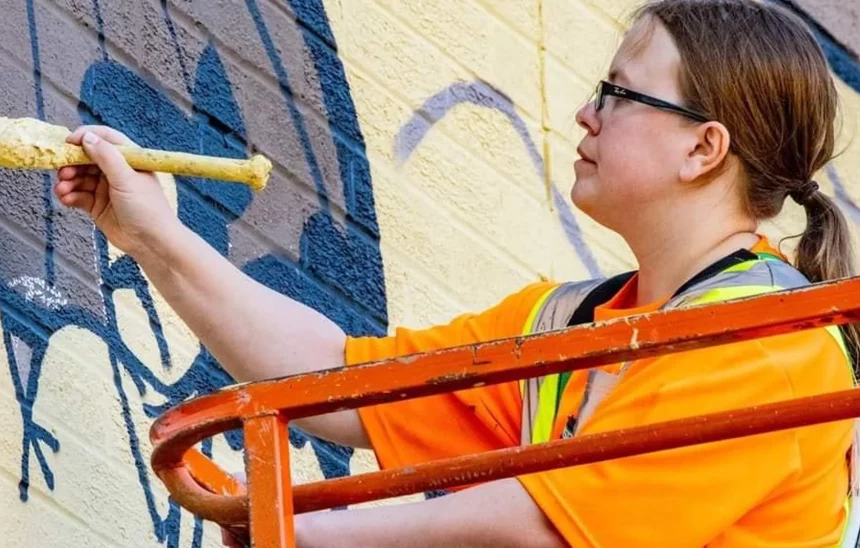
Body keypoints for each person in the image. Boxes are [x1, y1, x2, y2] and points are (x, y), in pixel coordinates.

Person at [53, 0, 860, 545]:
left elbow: (543, 526)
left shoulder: (771, 348)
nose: (587, 112)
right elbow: (339, 385)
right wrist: (154, 236)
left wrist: (292, 525)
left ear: (703, 148)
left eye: (619, 92)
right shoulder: (568, 323)